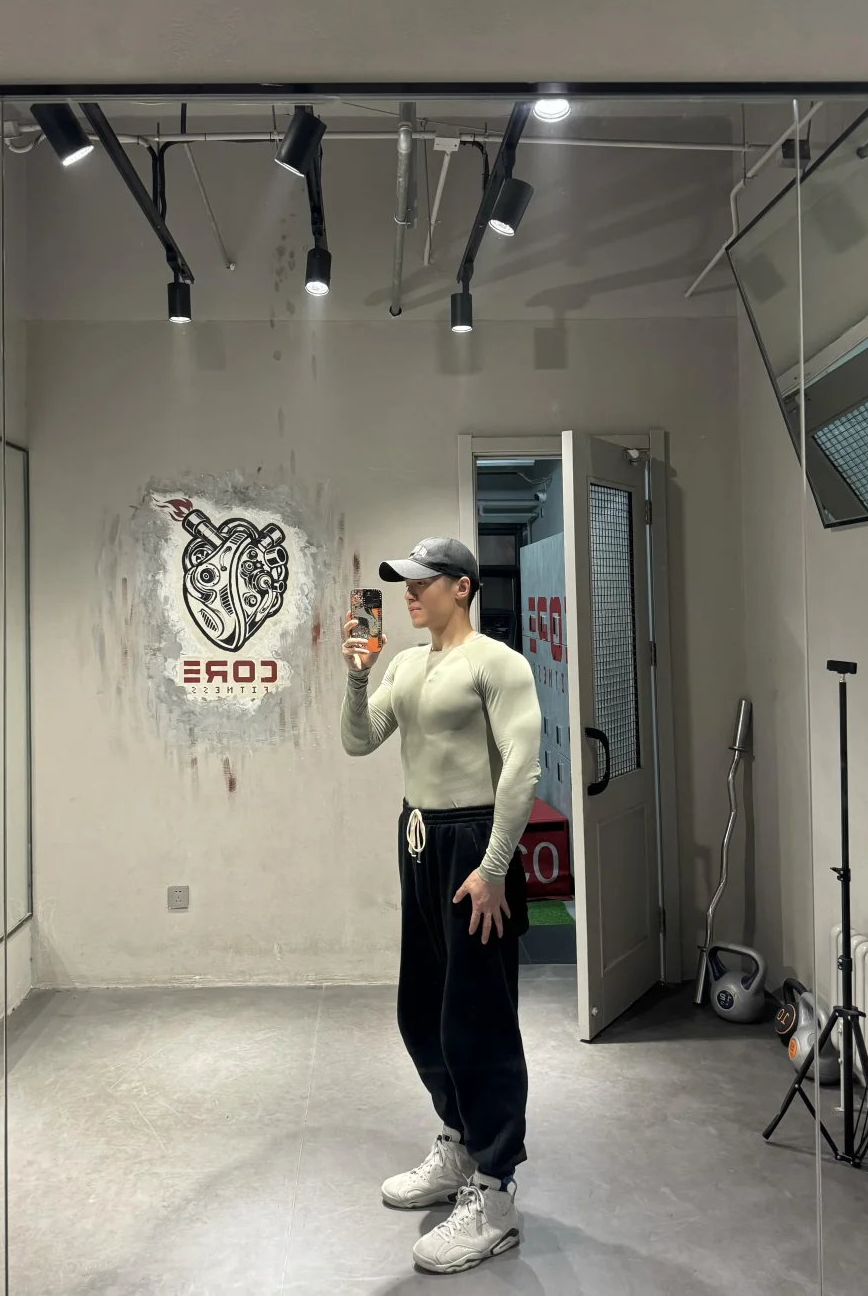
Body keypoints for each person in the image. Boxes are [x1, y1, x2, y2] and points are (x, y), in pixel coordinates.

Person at [340, 536, 542, 1275]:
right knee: (420, 1011)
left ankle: (496, 1193)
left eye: (422, 580)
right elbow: (359, 740)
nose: (408, 592)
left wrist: (495, 866)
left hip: (475, 846)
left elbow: (523, 766)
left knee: (477, 1021)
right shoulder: (404, 665)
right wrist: (357, 676)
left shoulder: (497, 663)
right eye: (404, 582)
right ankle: (459, 1142)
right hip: (420, 839)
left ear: (461, 586)